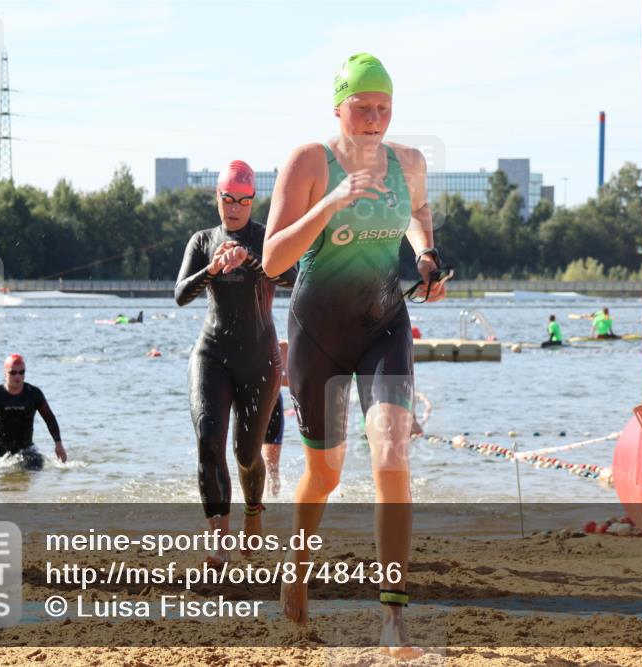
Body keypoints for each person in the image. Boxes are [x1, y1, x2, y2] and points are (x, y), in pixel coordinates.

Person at [263, 53, 445, 658]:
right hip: (317, 334)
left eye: (384, 108)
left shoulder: (408, 163)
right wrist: (332, 203)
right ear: (338, 107)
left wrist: (425, 255)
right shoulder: (309, 162)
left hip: (383, 326)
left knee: (391, 456)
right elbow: (272, 260)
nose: (374, 118)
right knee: (326, 475)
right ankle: (296, 568)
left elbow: (418, 212)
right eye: (362, 106)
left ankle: (393, 617)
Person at [175, 160, 298, 565]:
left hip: (258, 359)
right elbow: (180, 294)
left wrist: (251, 260)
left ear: (253, 201)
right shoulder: (203, 240)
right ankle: (219, 539)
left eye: (243, 201)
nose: (234, 208)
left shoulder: (266, 237)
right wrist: (211, 269)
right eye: (228, 199)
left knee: (247, 455)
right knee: (208, 441)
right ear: (218, 197)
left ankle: (253, 511)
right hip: (211, 354)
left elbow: (294, 278)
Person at [0, 354, 67, 470]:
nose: (18, 376)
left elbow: (49, 418)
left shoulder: (34, 394)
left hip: (27, 449)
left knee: (35, 465)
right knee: (6, 475)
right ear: (5, 373)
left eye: (21, 372)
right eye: (13, 372)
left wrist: (58, 443)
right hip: (1, 451)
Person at [262, 340, 289, 497]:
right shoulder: (242, 342)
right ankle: (253, 502)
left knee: (272, 467)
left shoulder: (281, 346)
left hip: (273, 405)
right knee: (250, 462)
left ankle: (273, 503)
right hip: (249, 406)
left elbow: (290, 380)